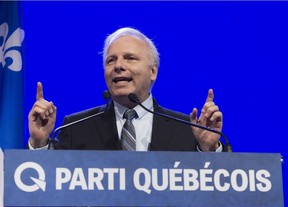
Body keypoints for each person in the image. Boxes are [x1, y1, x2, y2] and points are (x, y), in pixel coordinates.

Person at [28, 27, 224, 152]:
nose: (118, 66)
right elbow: (47, 190)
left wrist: (208, 149)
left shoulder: (186, 130)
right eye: (111, 60)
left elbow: (215, 197)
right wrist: (39, 144)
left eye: (130, 58)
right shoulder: (75, 128)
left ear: (153, 70)